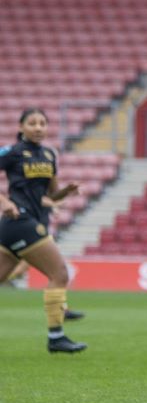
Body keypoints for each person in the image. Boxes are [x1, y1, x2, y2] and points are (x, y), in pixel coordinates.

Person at [0, 108, 87, 353]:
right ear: (21, 127)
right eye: (32, 123)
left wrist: (66, 192)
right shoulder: (12, 152)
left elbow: (50, 194)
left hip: (18, 225)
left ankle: (57, 335)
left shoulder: (49, 154)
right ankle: (56, 337)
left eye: (42, 123)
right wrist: (5, 202)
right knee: (59, 273)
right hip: (21, 221)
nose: (38, 127)